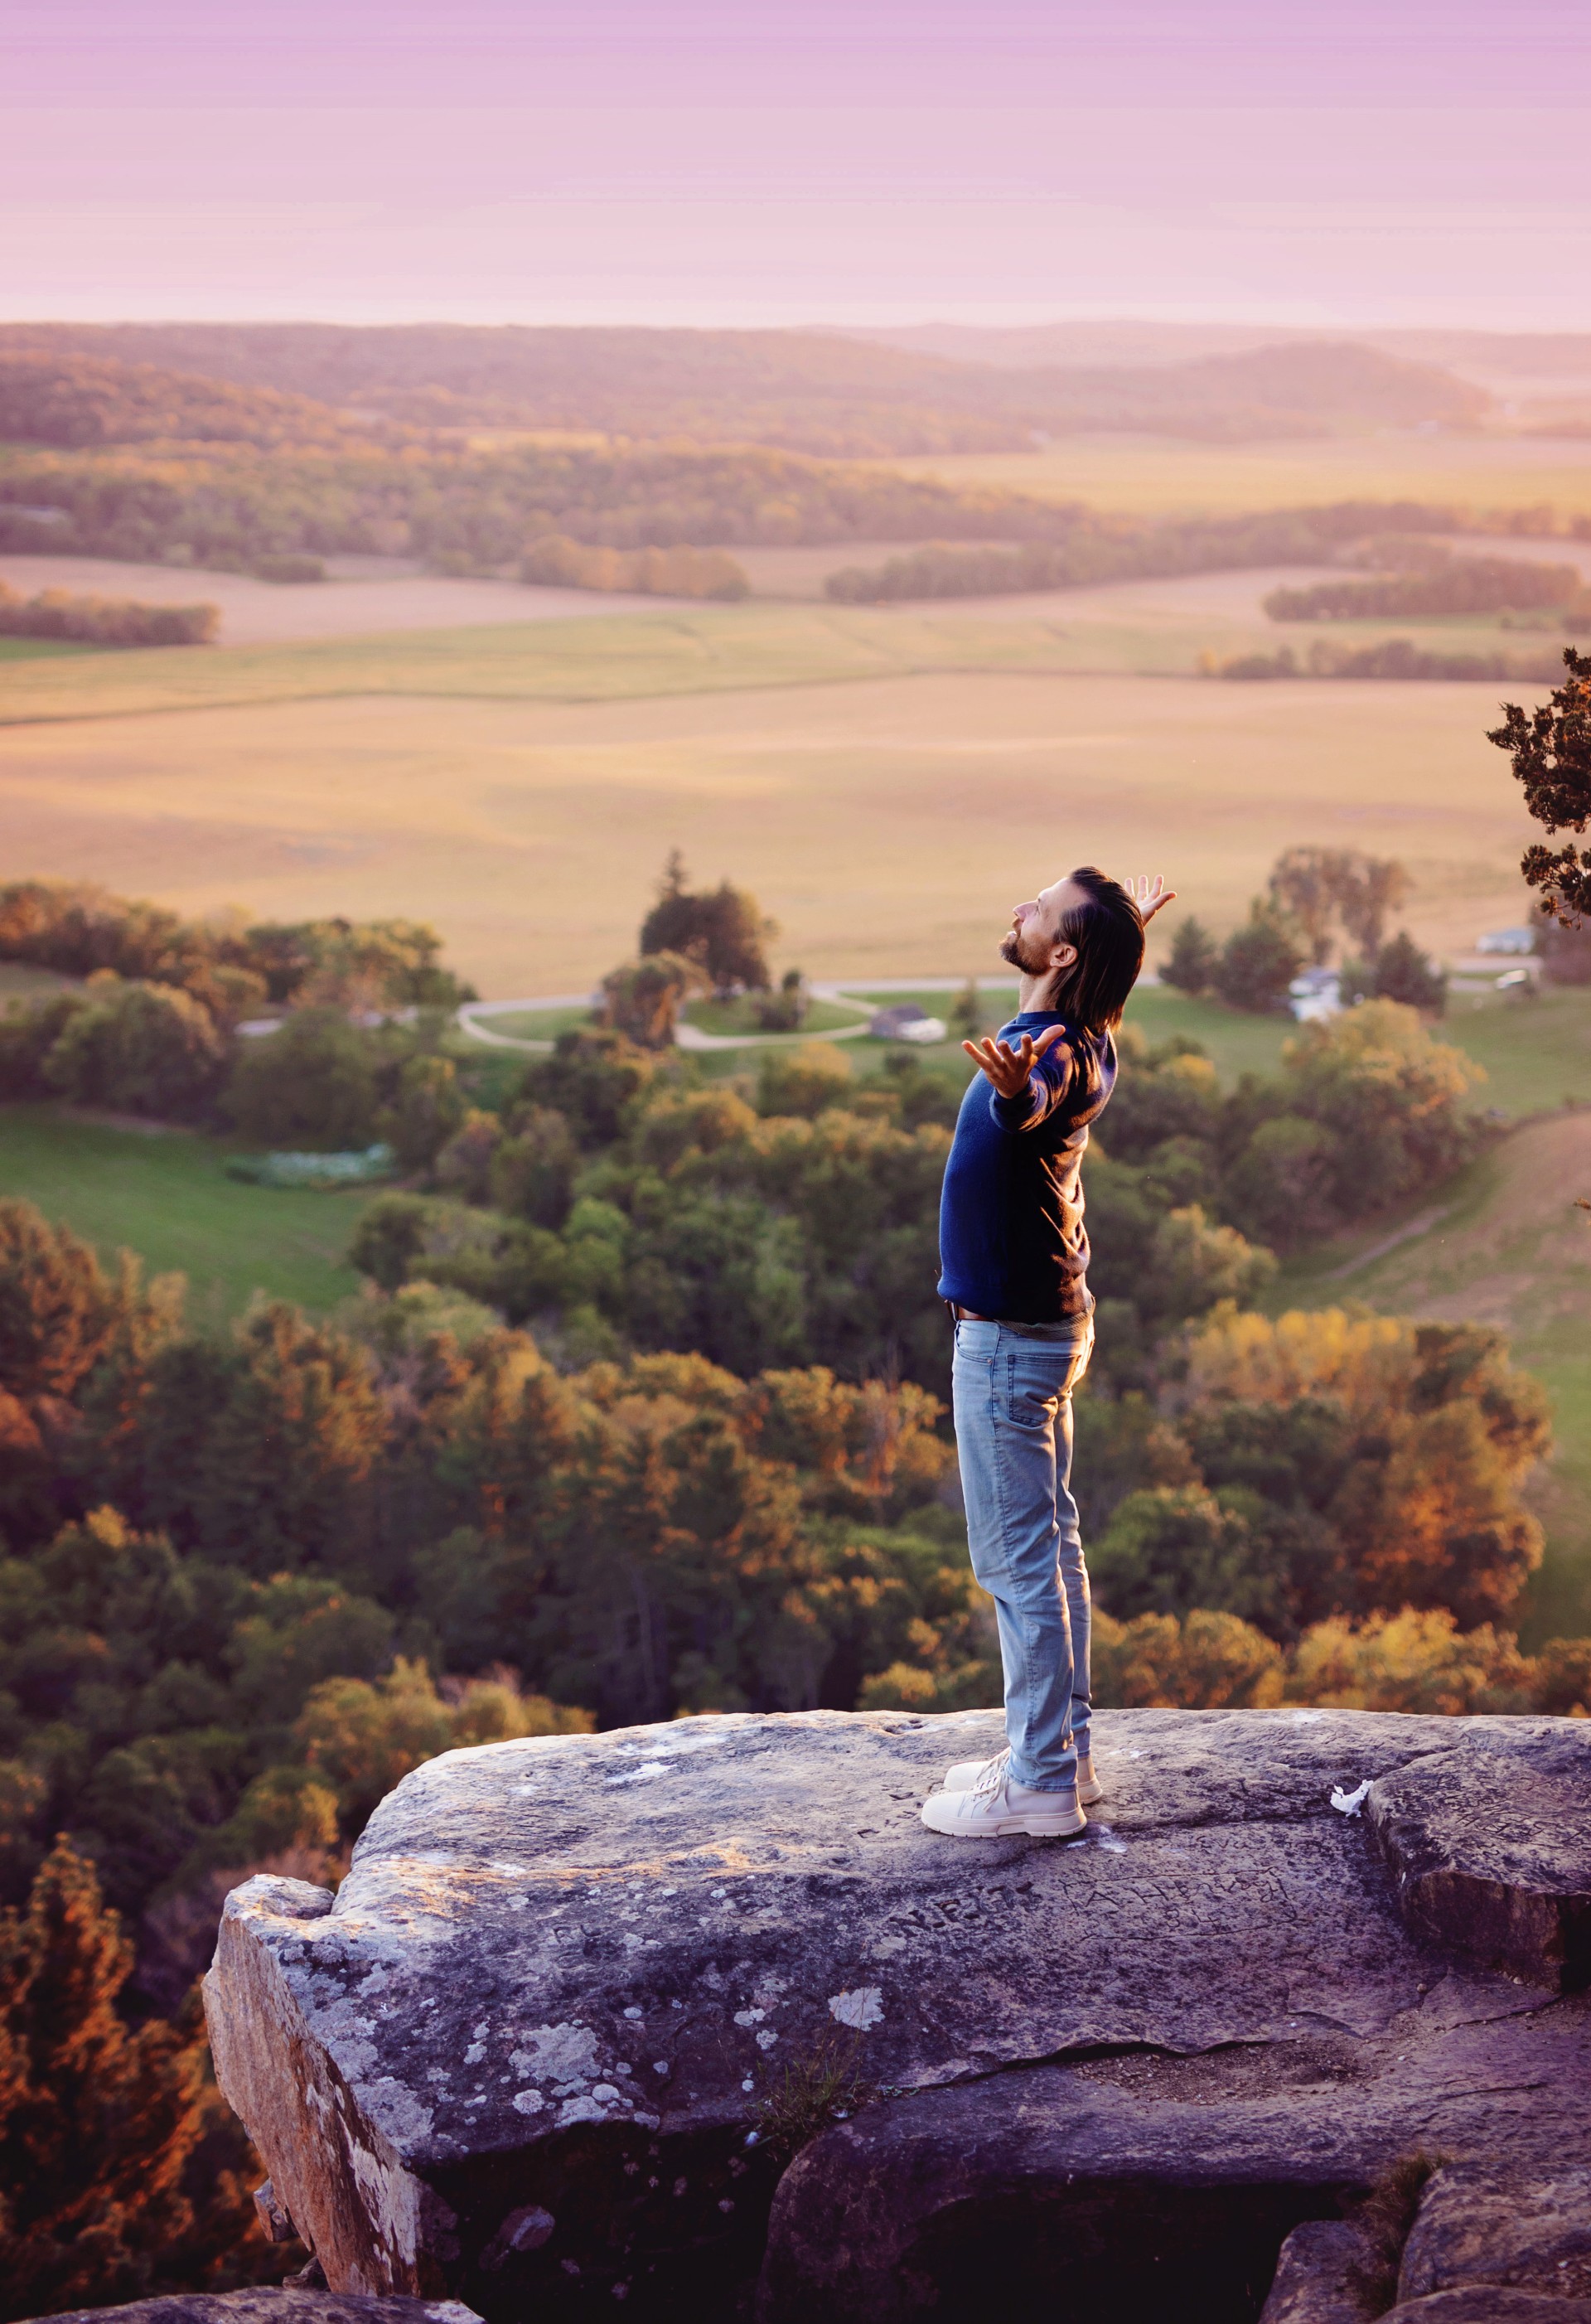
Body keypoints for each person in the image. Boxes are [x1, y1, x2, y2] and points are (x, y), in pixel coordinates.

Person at [921, 865, 1175, 1840]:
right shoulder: (1090, 1030)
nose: (1020, 908)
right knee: (1052, 1548)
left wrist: (1018, 1099)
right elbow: (1079, 1038)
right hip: (1053, 1327)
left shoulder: (1048, 1055)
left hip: (1009, 1346)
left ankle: (1037, 1784)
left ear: (1061, 954)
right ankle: (1062, 1753)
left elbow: (1038, 1101)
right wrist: (1124, 942)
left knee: (1017, 1560)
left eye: (1040, 906)